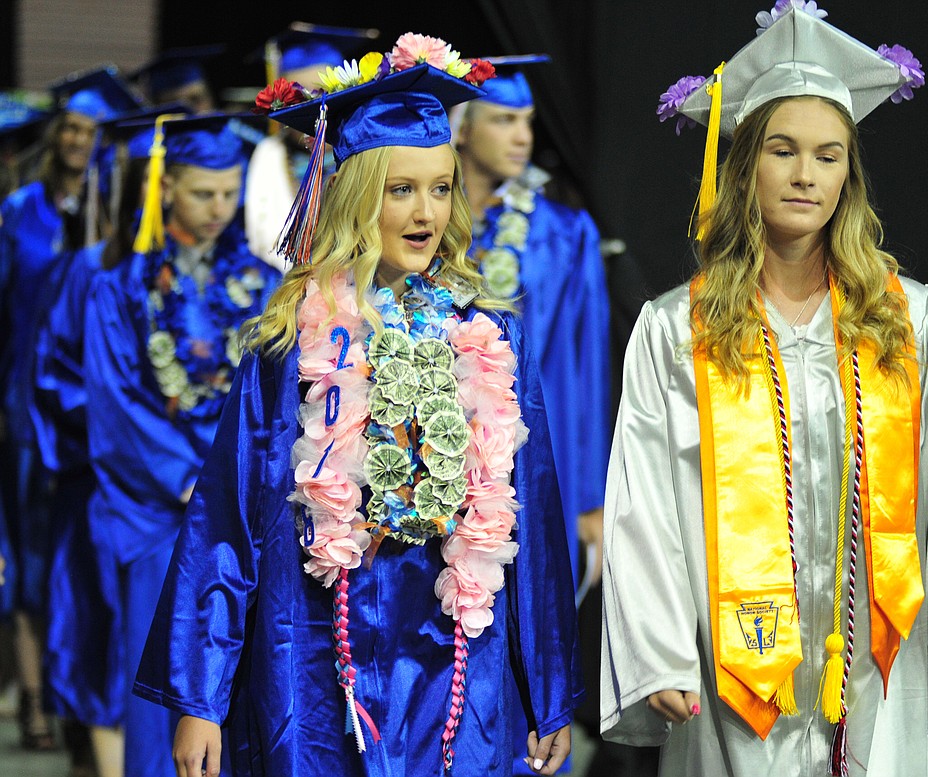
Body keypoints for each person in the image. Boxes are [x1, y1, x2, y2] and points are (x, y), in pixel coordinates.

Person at [133, 34, 582, 777]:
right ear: (354, 197)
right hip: (313, 656)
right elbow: (228, 523)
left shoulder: (491, 338)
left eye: (441, 187)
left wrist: (551, 688)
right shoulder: (290, 347)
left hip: (459, 655)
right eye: (399, 189)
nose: (425, 211)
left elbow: (530, 518)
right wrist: (199, 699)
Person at [600, 3, 928, 776]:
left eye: (829, 155)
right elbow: (642, 501)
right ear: (745, 166)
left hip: (880, 668)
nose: (806, 175)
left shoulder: (909, 319)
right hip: (727, 676)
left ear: (850, 172)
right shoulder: (676, 329)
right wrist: (662, 652)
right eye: (783, 151)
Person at [82, 112, 282, 777]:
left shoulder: (262, 286)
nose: (220, 209)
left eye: (230, 193)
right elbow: (115, 404)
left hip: (245, 514)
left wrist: (243, 480)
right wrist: (188, 478)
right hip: (162, 516)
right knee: (166, 687)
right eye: (203, 193)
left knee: (242, 681)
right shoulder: (121, 288)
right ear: (165, 188)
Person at [452, 55, 615, 775]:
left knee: (526, 634)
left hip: (531, 464)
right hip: (444, 468)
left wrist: (588, 498)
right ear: (462, 128)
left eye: (527, 121)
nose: (521, 136)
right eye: (503, 119)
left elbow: (582, 367)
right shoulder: (427, 219)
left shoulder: (561, 231)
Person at [0, 65, 143, 755]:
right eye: (74, 128)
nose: (81, 140)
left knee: (86, 562)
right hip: (26, 403)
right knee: (30, 557)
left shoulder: (115, 211)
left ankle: (85, 711)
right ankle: (35, 700)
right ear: (59, 133)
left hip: (93, 415)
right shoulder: (21, 209)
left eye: (94, 131)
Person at [244, 22, 378, 270]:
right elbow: (259, 241)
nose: (312, 109)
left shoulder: (366, 152)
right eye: (297, 97)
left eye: (323, 95)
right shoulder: (269, 155)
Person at [128, 46, 224, 115]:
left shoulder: (233, 135)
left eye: (195, 99)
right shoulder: (150, 141)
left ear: (210, 98)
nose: (190, 111)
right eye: (175, 105)